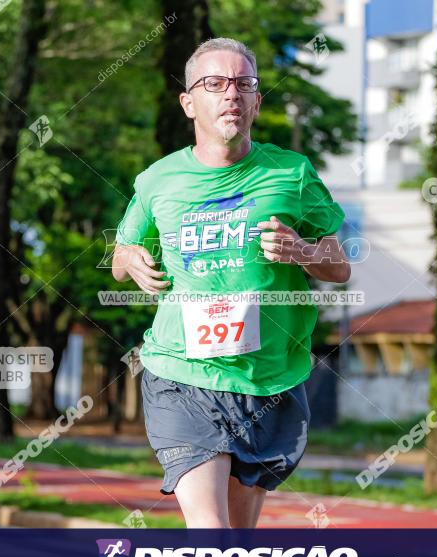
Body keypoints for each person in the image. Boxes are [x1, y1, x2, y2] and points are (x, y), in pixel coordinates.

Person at [111, 37, 350, 529]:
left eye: (244, 84)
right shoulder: (158, 180)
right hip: (182, 373)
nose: (231, 94)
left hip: (269, 381)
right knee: (212, 536)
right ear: (188, 102)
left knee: (235, 546)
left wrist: (304, 253)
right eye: (214, 84)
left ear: (257, 102)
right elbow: (120, 253)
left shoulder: (292, 173)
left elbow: (339, 265)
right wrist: (130, 259)